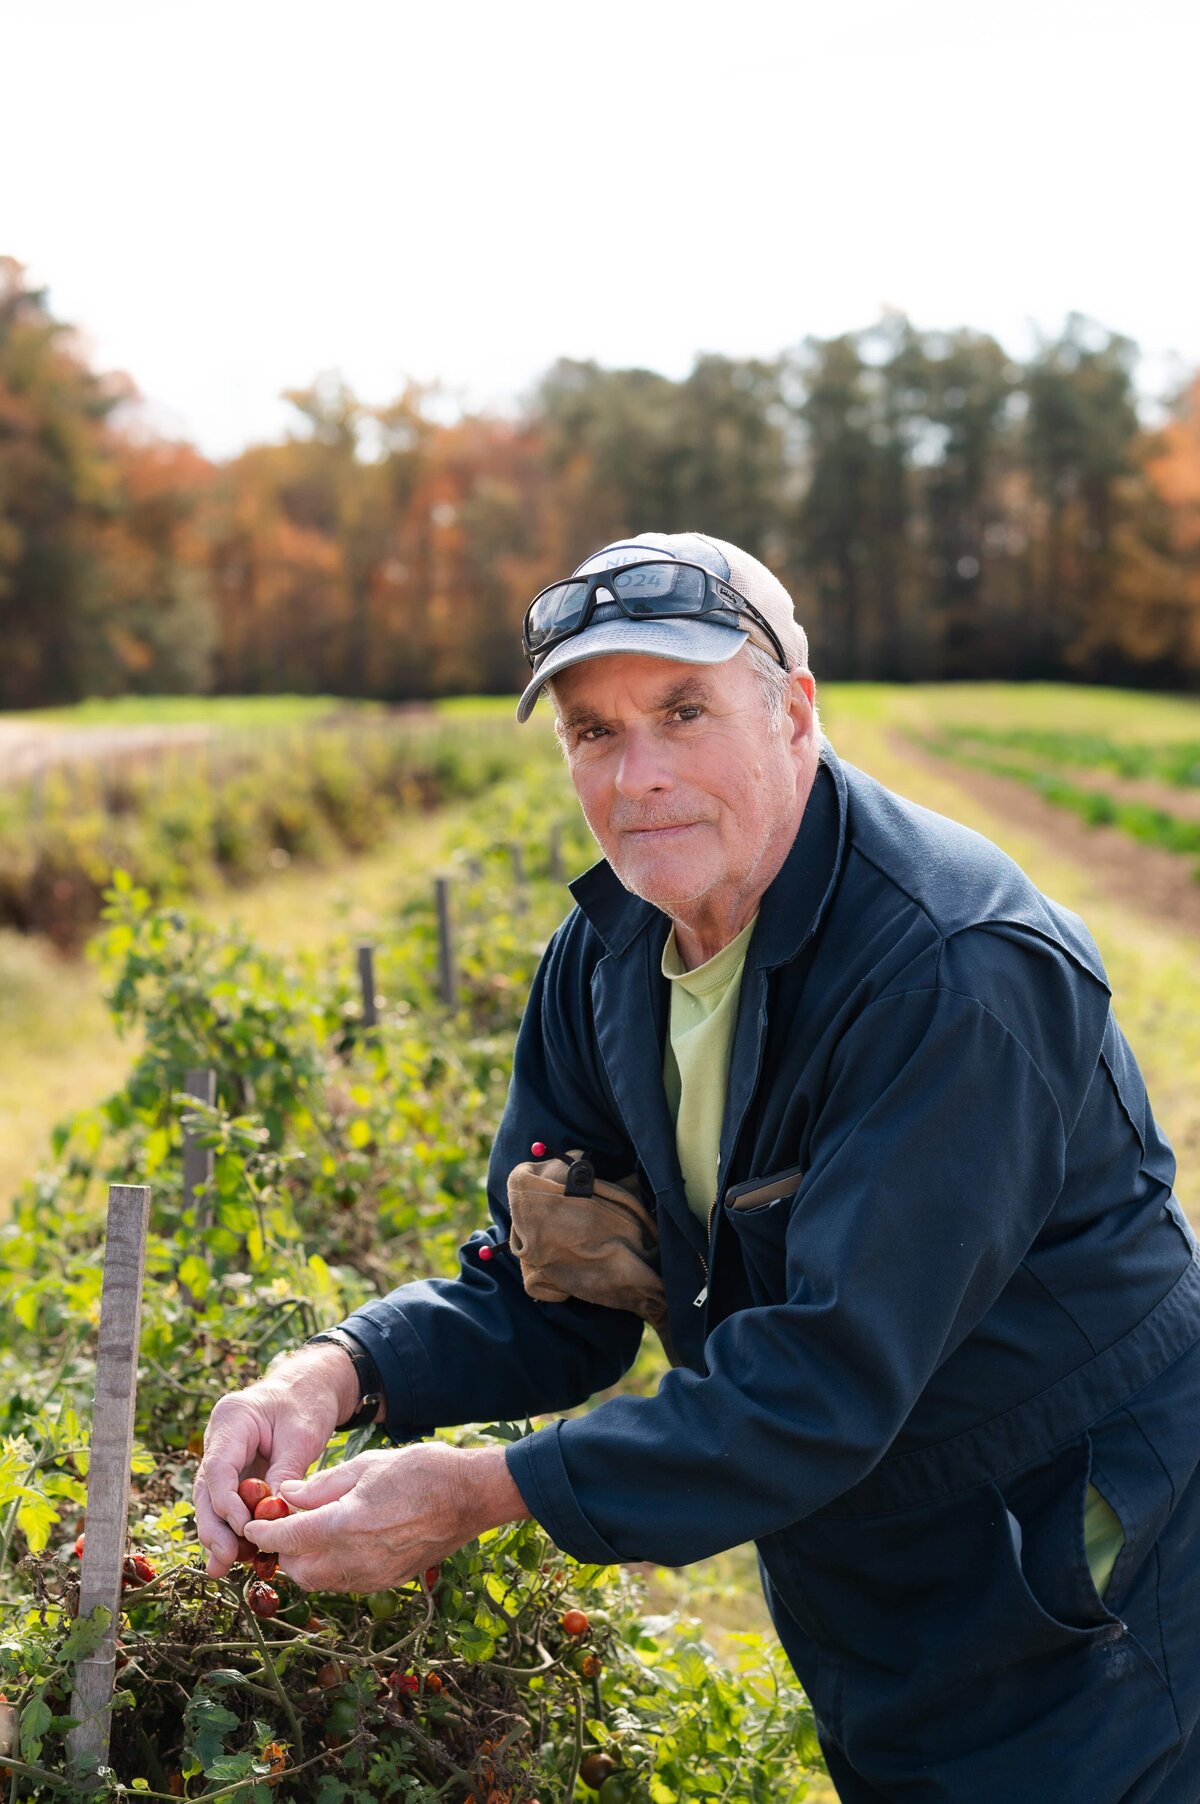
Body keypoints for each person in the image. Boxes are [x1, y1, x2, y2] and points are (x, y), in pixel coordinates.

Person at [195, 532, 1200, 1802]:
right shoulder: (611, 957)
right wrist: (335, 1371)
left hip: (1080, 1563)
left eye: (684, 711)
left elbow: (823, 1382)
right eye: (594, 732)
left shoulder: (953, 973)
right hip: (864, 1564)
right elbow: (561, 1290)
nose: (641, 776)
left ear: (795, 712)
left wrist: (479, 1492)